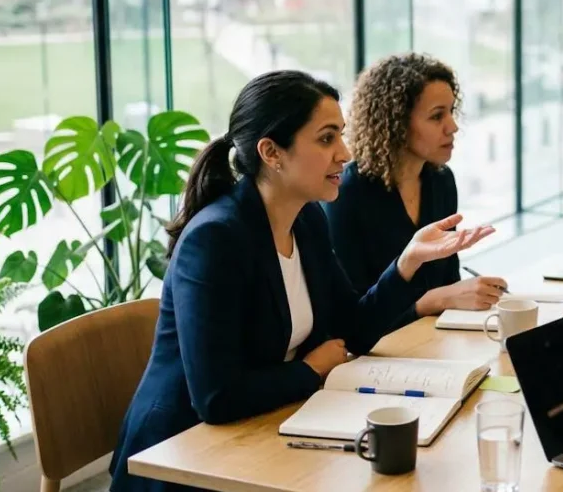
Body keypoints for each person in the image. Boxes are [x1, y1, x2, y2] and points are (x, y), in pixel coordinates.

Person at [109, 71, 494, 492]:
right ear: (272, 152)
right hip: (181, 456)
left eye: (341, 136)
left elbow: (354, 327)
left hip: (264, 425)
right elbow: (216, 398)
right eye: (327, 139)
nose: (345, 153)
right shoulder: (215, 239)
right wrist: (311, 369)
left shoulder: (306, 219)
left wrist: (407, 262)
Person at [323, 54, 507, 326]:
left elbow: (448, 281)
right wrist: (437, 300)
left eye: (451, 112)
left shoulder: (441, 180)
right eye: (436, 116)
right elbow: (355, 319)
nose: (453, 127)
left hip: (432, 337)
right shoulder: (347, 192)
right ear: (395, 123)